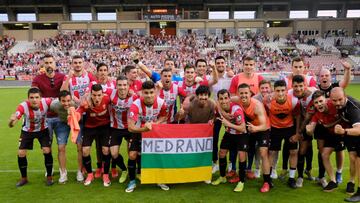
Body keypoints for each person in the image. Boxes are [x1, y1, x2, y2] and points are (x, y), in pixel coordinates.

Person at [126, 80, 169, 193]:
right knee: (132, 155)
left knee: (158, 155)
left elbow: (164, 117)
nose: (149, 95)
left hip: (154, 132)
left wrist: (155, 124)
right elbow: (130, 127)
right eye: (146, 93)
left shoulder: (161, 102)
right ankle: (132, 181)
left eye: (151, 92)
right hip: (138, 130)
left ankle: (160, 180)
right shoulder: (136, 105)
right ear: (141, 93)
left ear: (155, 92)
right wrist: (143, 129)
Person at [61, 55, 97, 182]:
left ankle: (86, 169)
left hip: (89, 114)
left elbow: (95, 89)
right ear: (72, 64)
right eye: (75, 62)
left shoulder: (89, 75)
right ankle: (80, 170)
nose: (77, 65)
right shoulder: (68, 77)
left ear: (83, 63)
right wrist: (69, 78)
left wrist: (86, 97)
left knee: (88, 144)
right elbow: (63, 91)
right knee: (79, 145)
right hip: (76, 115)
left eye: (79, 62)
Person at [231, 83, 272, 192]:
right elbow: (221, 101)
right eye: (241, 93)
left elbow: (264, 125)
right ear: (238, 94)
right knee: (242, 151)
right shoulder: (236, 100)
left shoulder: (257, 105)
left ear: (250, 93)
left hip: (262, 129)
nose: (243, 96)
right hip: (249, 128)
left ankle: (267, 182)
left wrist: (255, 129)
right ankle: (241, 178)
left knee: (263, 152)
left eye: (246, 93)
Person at [8, 87, 54, 187]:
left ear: (41, 98)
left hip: (43, 130)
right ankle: (24, 178)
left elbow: (58, 103)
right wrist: (11, 121)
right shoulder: (23, 106)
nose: (34, 100)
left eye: (37, 97)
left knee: (47, 150)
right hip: (27, 131)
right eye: (31, 97)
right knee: (21, 153)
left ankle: (49, 177)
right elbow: (13, 123)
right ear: (28, 98)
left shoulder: (47, 102)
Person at [32, 54, 65, 178]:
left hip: (60, 117)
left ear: (55, 64)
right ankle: (49, 169)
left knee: (61, 147)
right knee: (47, 147)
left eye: (51, 62)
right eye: (46, 63)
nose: (49, 65)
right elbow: (34, 96)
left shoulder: (62, 77)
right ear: (43, 65)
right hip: (45, 118)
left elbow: (66, 94)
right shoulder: (37, 79)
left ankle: (63, 171)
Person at [306, 90, 345, 191]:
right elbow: (312, 127)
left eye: (320, 101)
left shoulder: (334, 105)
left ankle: (340, 174)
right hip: (331, 134)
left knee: (348, 154)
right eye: (316, 103)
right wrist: (309, 130)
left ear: (326, 100)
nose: (319, 104)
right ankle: (333, 181)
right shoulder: (316, 115)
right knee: (324, 154)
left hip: (343, 132)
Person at [264, 80, 300, 189]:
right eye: (277, 91)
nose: (280, 93)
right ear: (273, 91)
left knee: (293, 151)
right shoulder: (268, 101)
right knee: (272, 152)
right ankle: (268, 178)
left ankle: (292, 178)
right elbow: (265, 114)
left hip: (289, 128)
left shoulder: (293, 101)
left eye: (282, 90)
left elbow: (298, 117)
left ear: (286, 91)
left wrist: (297, 133)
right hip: (275, 129)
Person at [211, 89, 247, 193]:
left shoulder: (236, 110)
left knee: (241, 155)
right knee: (221, 153)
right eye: (221, 99)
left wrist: (228, 124)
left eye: (226, 98)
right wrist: (212, 120)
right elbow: (216, 115)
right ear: (218, 100)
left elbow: (242, 128)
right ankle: (222, 177)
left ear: (229, 98)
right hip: (229, 133)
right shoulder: (219, 108)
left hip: (241, 134)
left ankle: (241, 181)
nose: (224, 101)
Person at [75, 84, 111, 187]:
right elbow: (79, 112)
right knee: (85, 150)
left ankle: (105, 175)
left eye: (99, 95)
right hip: (90, 128)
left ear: (102, 94)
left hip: (104, 127)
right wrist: (74, 116)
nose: (96, 98)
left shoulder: (107, 99)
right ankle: (90, 174)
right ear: (91, 94)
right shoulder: (87, 102)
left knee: (106, 150)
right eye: (94, 95)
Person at [331, 87, 360, 202]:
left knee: (358, 160)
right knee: (352, 157)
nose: (337, 103)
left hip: (356, 131)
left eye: (340, 100)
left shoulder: (353, 109)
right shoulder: (337, 104)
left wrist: (343, 131)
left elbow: (359, 130)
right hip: (351, 131)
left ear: (345, 96)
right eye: (334, 100)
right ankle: (351, 181)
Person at [107, 76, 138, 184]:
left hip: (130, 128)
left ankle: (134, 172)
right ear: (116, 86)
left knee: (132, 154)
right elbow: (94, 88)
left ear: (128, 86)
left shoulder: (134, 97)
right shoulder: (111, 93)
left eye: (125, 85)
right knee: (114, 154)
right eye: (120, 85)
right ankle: (124, 170)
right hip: (115, 128)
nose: (122, 87)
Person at [210, 56, 234, 175]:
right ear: (215, 64)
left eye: (222, 62)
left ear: (225, 64)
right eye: (218, 63)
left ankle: (230, 163)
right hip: (216, 113)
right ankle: (214, 162)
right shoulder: (211, 78)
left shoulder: (231, 78)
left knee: (230, 136)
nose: (220, 64)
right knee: (213, 138)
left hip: (229, 113)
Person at [49, 90, 75, 183]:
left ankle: (81, 171)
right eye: (63, 101)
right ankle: (63, 173)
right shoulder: (54, 105)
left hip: (76, 123)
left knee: (81, 146)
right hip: (63, 124)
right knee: (61, 147)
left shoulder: (76, 104)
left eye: (68, 100)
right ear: (59, 100)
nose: (66, 103)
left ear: (71, 99)